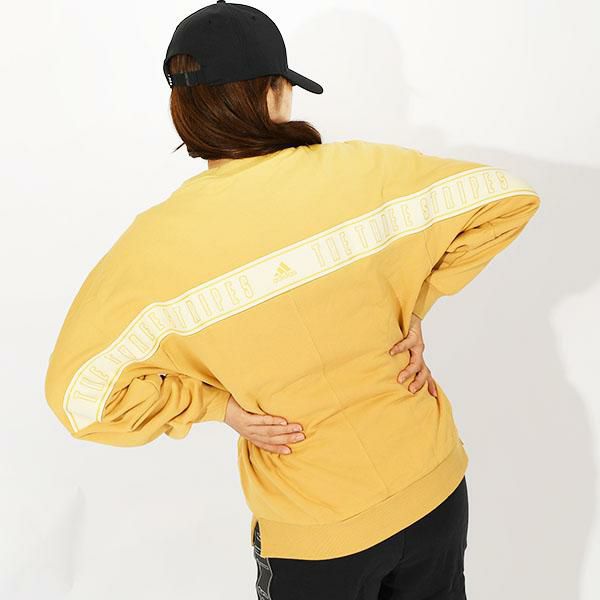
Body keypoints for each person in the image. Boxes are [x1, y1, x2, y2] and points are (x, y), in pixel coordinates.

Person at [44, 2, 541, 599]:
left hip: (316, 530)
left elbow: (79, 398)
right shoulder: (364, 170)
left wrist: (216, 407)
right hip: (433, 488)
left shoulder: (153, 247)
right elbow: (507, 198)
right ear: (272, 93)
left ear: (183, 108)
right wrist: (413, 305)